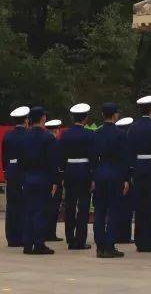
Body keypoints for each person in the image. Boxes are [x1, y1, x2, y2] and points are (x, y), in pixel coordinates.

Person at [92, 102, 129, 258]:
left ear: (102, 115)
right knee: (114, 211)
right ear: (115, 115)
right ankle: (110, 245)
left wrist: (93, 177)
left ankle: (100, 245)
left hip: (100, 174)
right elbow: (124, 158)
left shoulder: (96, 134)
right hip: (115, 174)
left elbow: (93, 158)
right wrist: (126, 179)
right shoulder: (121, 134)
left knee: (99, 211)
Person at [19, 107, 57, 255]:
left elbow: (21, 161)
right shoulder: (48, 138)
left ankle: (27, 243)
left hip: (28, 177)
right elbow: (52, 161)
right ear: (43, 118)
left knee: (29, 211)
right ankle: (39, 243)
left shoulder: (24, 137)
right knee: (41, 211)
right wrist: (55, 181)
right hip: (43, 178)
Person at [128, 95, 151, 253]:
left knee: (139, 205)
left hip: (138, 168)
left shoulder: (133, 127)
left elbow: (129, 151)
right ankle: (150, 240)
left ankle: (140, 240)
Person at [59, 103, 95, 250]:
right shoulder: (89, 135)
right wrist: (93, 175)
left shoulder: (65, 134)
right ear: (86, 118)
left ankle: (69, 237)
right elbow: (93, 156)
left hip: (69, 171)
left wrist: (62, 174)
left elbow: (61, 156)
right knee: (84, 206)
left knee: (70, 205)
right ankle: (80, 239)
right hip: (84, 172)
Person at [1, 105, 30, 247]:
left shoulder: (8, 136)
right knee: (24, 205)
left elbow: (4, 156)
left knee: (12, 205)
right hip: (24, 172)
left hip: (11, 172)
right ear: (26, 120)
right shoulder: (27, 135)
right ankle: (23, 235)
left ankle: (11, 237)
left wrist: (6, 171)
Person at [113, 116, 134, 245]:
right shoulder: (126, 142)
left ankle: (117, 233)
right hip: (124, 178)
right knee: (126, 209)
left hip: (114, 176)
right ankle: (124, 235)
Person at [44, 119, 64, 242]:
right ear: (56, 130)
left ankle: (47, 232)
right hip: (53, 179)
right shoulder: (55, 143)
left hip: (44, 178)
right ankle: (50, 233)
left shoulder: (43, 142)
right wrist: (58, 180)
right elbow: (57, 164)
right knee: (53, 206)